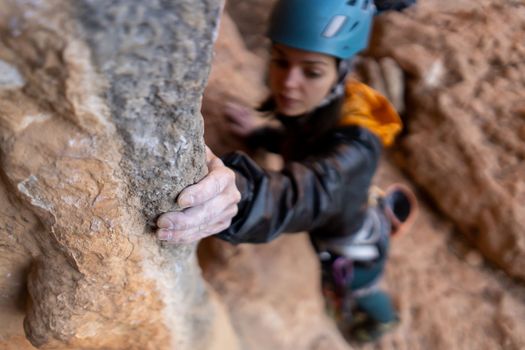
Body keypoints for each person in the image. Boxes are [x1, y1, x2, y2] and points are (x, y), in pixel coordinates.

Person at [157, 0, 417, 343]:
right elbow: (302, 144)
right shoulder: (327, 105)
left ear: (342, 71)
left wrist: (238, 196)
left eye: (311, 71)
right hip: (345, 228)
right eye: (280, 61)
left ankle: (378, 326)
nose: (288, 84)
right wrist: (261, 135)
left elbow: (303, 194)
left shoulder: (357, 148)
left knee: (360, 293)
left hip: (356, 256)